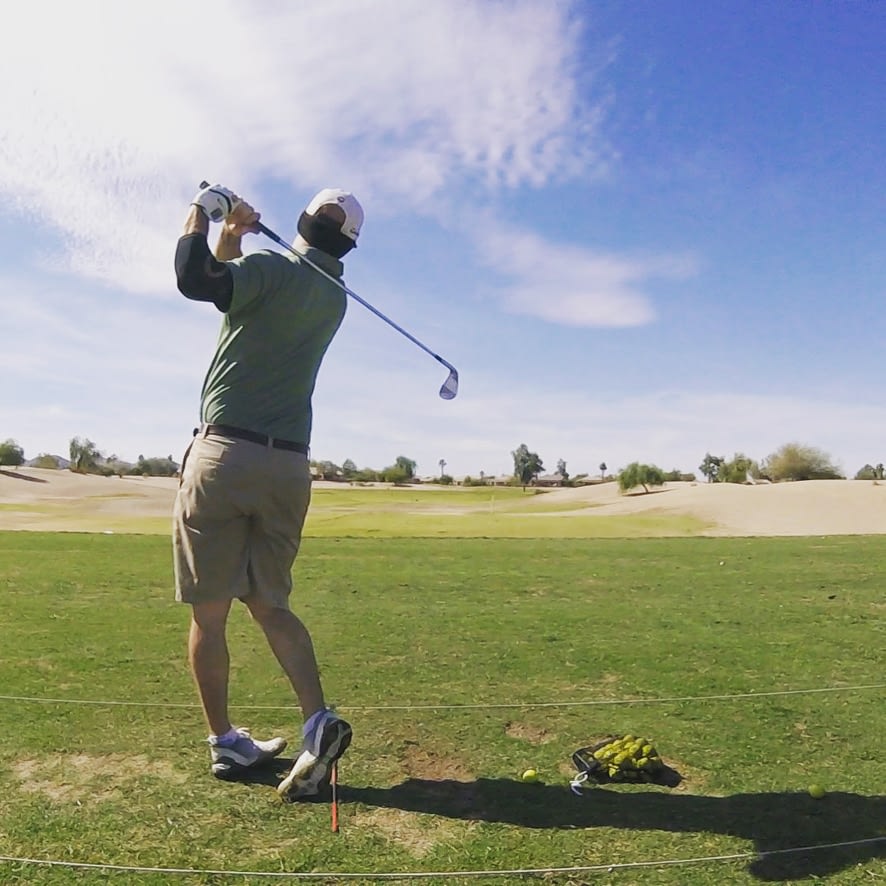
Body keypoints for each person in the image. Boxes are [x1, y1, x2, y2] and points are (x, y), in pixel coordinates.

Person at [172, 182, 362, 801]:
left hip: (224, 455)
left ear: (304, 219)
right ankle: (315, 721)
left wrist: (203, 211)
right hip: (287, 470)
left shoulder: (272, 271)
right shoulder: (333, 296)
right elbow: (230, 289)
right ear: (348, 244)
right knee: (270, 605)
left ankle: (226, 742)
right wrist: (232, 238)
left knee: (210, 611)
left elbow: (195, 279)